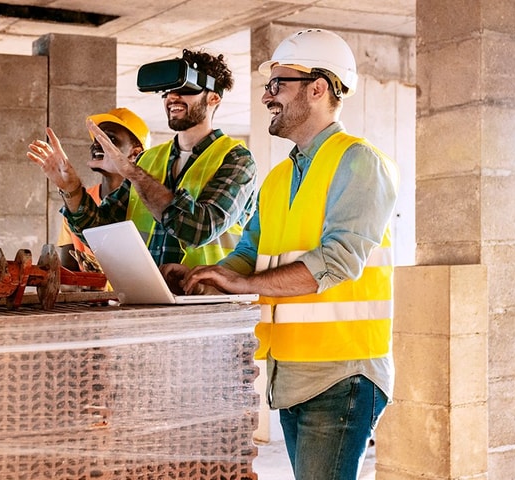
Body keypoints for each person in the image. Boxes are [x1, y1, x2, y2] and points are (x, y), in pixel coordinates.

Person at [165, 29, 399, 480]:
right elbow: (249, 255)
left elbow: (338, 261)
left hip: (342, 374)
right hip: (290, 372)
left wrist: (244, 284)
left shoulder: (360, 162)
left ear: (318, 88)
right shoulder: (275, 179)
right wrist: (203, 277)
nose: (267, 96)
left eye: (279, 84)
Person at [27, 48, 257, 267]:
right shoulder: (150, 159)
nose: (173, 97)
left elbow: (199, 229)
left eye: (186, 89)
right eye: (167, 90)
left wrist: (133, 173)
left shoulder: (236, 159)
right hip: (150, 293)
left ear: (213, 98)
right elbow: (100, 232)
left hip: (209, 301)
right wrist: (72, 188)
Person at [53, 107, 150, 271]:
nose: (97, 145)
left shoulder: (149, 203)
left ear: (135, 153)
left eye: (109, 139)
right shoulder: (77, 204)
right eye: (96, 139)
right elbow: (68, 273)